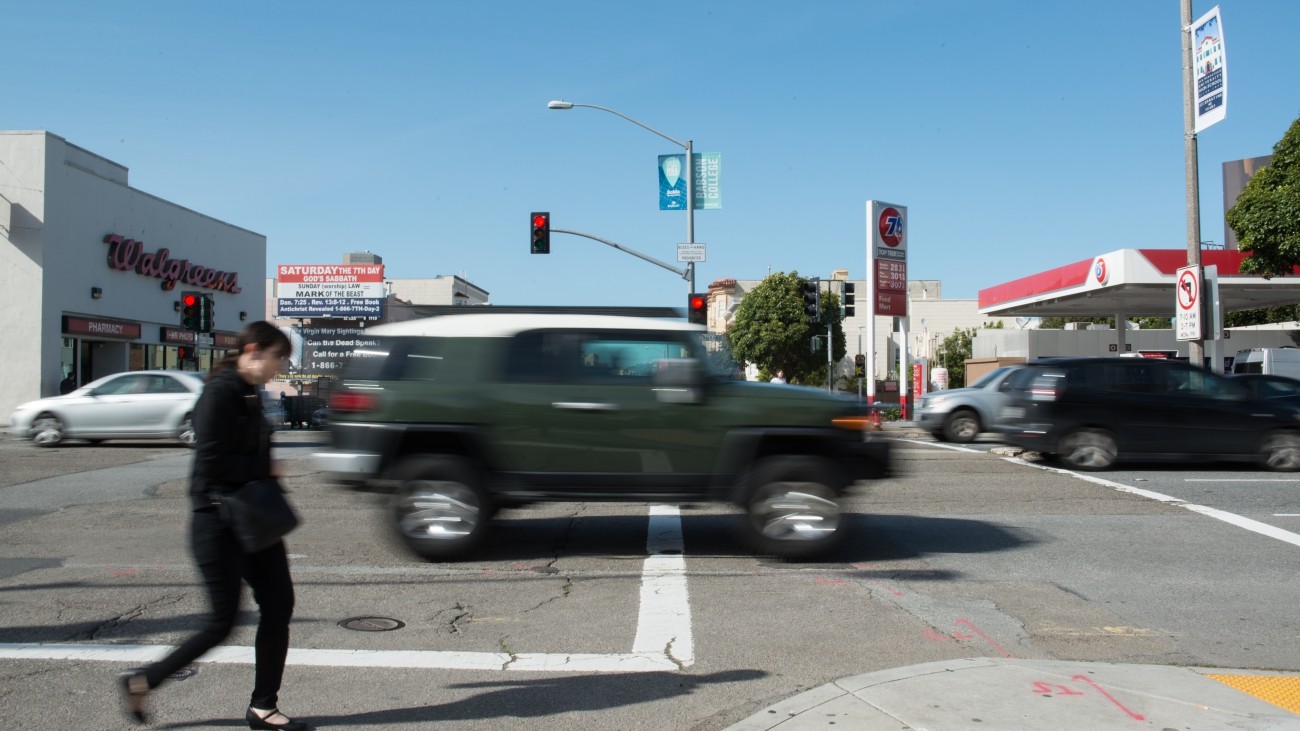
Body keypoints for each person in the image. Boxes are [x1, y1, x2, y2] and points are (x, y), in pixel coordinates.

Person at [119, 321, 309, 730]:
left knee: (279, 604)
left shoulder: (249, 391)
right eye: (279, 358)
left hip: (251, 517)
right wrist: (266, 466)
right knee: (221, 623)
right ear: (255, 350)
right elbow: (211, 465)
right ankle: (143, 680)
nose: (281, 367)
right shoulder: (219, 394)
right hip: (218, 521)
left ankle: (263, 707)